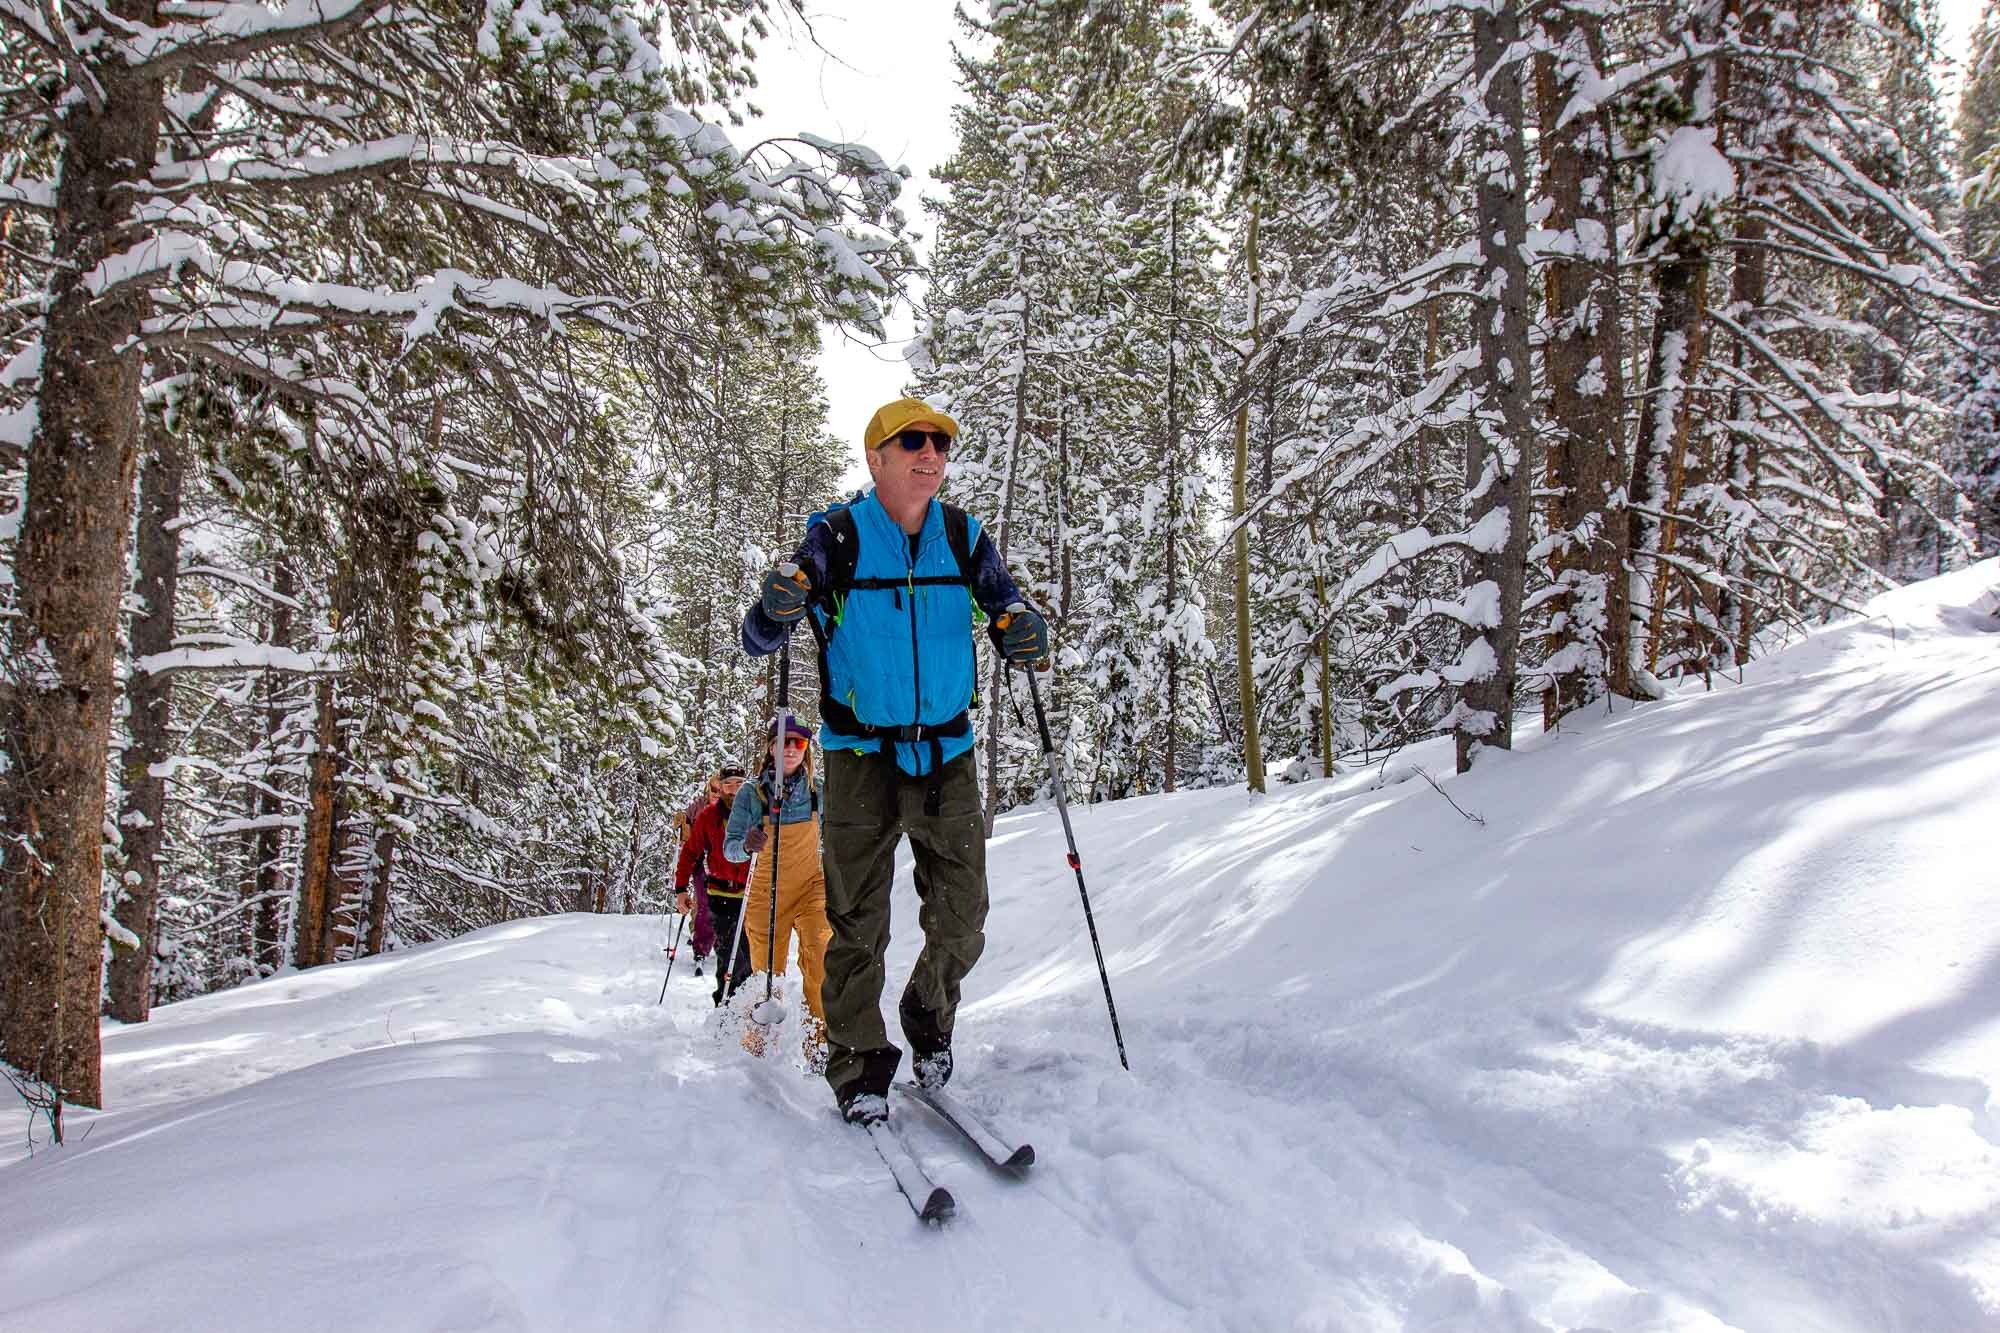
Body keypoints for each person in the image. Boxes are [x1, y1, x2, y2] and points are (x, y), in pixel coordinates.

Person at [740, 397, 1049, 1126]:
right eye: (911, 441)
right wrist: (774, 606)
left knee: (964, 914)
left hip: (947, 755)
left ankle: (927, 1012)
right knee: (854, 923)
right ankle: (858, 1067)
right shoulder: (836, 539)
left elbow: (1006, 610)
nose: (929, 453)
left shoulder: (963, 535)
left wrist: (1021, 631)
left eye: (940, 442)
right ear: (875, 457)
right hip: (859, 760)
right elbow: (761, 637)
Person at [722, 716, 832, 1068]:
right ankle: (758, 1051)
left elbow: (839, 836)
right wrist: (748, 844)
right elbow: (730, 849)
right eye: (782, 742)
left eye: (797, 743)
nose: (789, 749)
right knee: (768, 977)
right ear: (770, 748)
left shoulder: (819, 791)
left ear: (806, 750)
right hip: (765, 893)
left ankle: (819, 1046)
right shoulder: (751, 793)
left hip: (811, 885)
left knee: (820, 955)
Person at [673, 764, 751, 1006]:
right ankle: (727, 1007)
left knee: (749, 958)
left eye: (739, 784)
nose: (733, 790)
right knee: (730, 956)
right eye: (728, 784)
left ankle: (743, 1012)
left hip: (751, 895)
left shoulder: (757, 813)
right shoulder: (708, 817)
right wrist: (680, 889)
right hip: (720, 893)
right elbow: (690, 853)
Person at [676, 777, 721, 974]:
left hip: (721, 862)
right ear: (707, 789)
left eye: (721, 790)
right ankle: (701, 948)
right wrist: (682, 825)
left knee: (719, 905)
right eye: (713, 789)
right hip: (700, 860)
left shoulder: (731, 809)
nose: (716, 794)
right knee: (704, 902)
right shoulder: (698, 807)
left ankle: (717, 941)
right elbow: (685, 824)